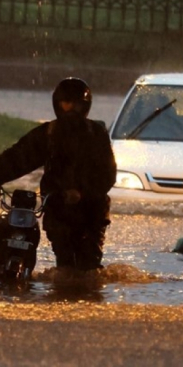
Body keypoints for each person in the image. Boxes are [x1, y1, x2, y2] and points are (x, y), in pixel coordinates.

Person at [0, 78, 117, 272]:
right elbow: (17, 159)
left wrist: (82, 193)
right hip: (58, 212)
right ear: (57, 104)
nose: (70, 108)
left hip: (91, 213)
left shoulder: (96, 134)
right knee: (65, 268)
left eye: (76, 104)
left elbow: (107, 174)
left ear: (85, 106)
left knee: (89, 267)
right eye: (66, 103)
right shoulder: (47, 134)